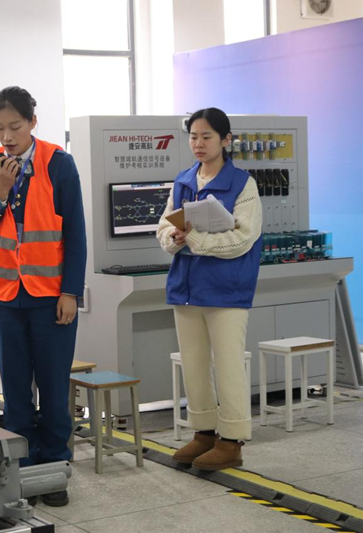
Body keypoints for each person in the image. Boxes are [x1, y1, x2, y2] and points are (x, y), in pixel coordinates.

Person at [0, 86, 86, 507]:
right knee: (15, 392)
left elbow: (76, 233)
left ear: (33, 122)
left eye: (15, 127)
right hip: (4, 296)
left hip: (50, 295)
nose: (7, 136)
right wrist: (1, 190)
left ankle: (54, 471)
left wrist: (71, 292)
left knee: (53, 391)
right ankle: (22, 472)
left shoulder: (58, 163)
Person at [156, 107, 262, 471]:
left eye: (206, 137)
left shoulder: (242, 184)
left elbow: (244, 238)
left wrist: (195, 238)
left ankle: (231, 441)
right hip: (186, 288)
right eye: (193, 137)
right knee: (194, 364)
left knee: (228, 365)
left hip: (227, 290)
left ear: (225, 140)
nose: (198, 144)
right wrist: (174, 237)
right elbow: (164, 226)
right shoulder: (183, 180)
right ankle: (203, 433)